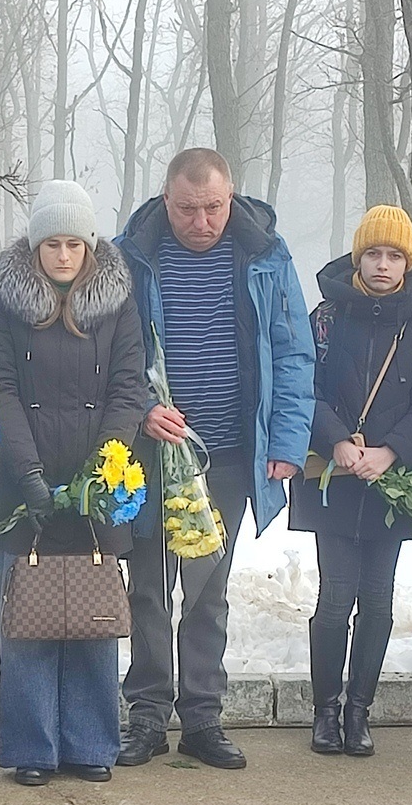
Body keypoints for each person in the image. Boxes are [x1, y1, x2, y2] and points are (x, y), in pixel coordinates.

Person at [115, 148, 313, 769]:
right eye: (187, 208)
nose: (202, 221)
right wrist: (143, 407)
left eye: (214, 208)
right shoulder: (128, 258)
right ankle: (145, 716)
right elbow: (114, 352)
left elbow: (292, 352)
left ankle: (202, 718)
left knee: (207, 590)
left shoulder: (266, 256)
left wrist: (285, 441)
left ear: (232, 198)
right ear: (165, 199)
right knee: (148, 585)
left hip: (228, 452)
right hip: (150, 453)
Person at [0, 180, 146, 786]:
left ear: (90, 245)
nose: (64, 256)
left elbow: (130, 388)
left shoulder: (119, 302)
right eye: (52, 244)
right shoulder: (7, 300)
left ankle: (91, 743)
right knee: (29, 617)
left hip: (99, 484)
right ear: (36, 245)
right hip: (23, 486)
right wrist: (27, 473)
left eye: (74, 243)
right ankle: (31, 748)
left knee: (94, 621)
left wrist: (104, 469)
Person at [287, 206, 412, 756]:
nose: (384, 265)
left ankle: (360, 712)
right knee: (335, 598)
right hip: (334, 477)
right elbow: (303, 388)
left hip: (391, 483)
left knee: (378, 601)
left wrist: (390, 451)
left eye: (395, 255)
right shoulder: (326, 318)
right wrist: (334, 438)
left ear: (408, 261)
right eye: (374, 254)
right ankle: (325, 712)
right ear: (359, 258)